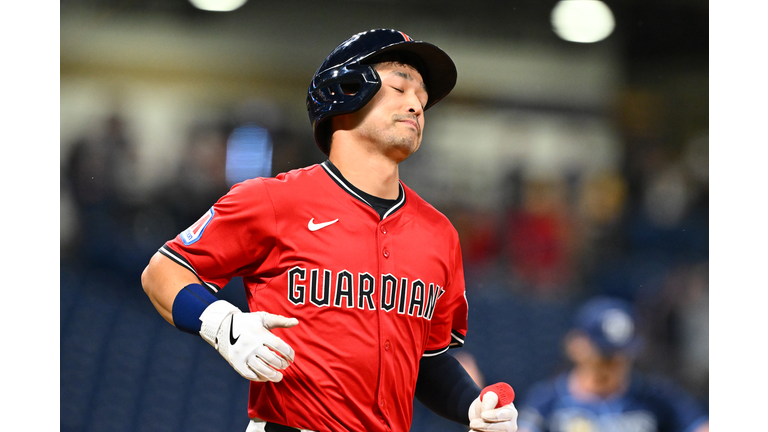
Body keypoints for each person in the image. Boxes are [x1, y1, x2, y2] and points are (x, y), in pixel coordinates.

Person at [141, 28, 518, 432]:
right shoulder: (273, 200)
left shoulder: (439, 232)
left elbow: (425, 358)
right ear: (347, 88)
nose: (417, 106)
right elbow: (162, 273)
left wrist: (471, 407)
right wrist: (220, 322)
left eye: (422, 98)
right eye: (400, 88)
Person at [516, 296, 709, 432]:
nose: (613, 362)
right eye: (604, 354)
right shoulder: (547, 400)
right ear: (576, 346)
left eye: (620, 354)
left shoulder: (656, 398)